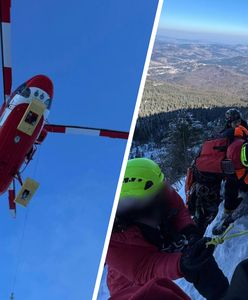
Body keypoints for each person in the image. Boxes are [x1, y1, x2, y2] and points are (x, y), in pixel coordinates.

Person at [106, 158, 229, 300]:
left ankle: (225, 296)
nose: (164, 193)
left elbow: (178, 209)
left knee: (198, 257)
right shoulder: (111, 240)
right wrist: (180, 265)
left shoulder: (158, 189)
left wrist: (189, 232)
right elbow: (143, 268)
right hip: (129, 279)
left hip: (160, 241)